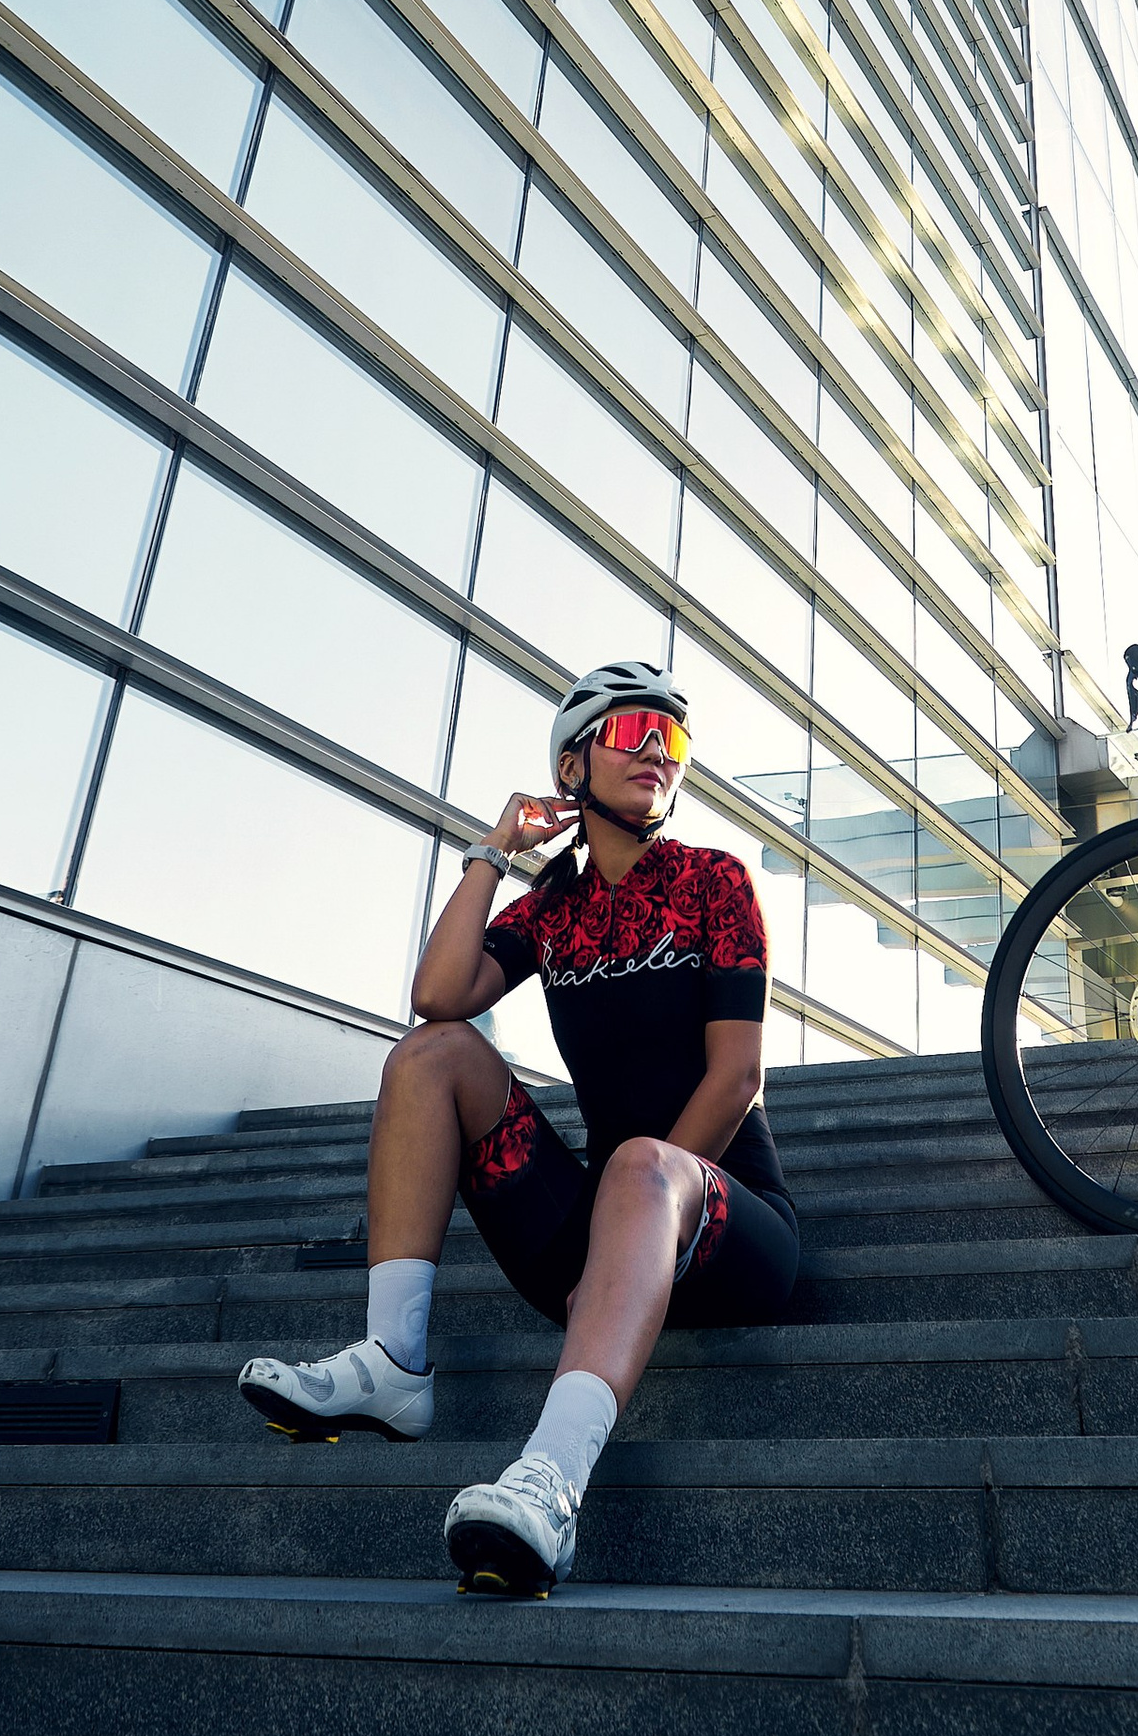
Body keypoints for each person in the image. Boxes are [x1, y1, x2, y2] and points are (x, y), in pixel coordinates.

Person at [237, 658, 798, 1595]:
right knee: (432, 1054)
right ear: (572, 765)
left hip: (730, 1223)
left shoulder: (714, 881)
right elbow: (437, 993)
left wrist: (643, 1202)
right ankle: (394, 1360)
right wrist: (493, 849)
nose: (659, 751)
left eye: (673, 737)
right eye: (634, 731)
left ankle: (551, 1485)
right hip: (604, 1231)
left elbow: (738, 1074)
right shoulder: (553, 911)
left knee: (639, 1166)